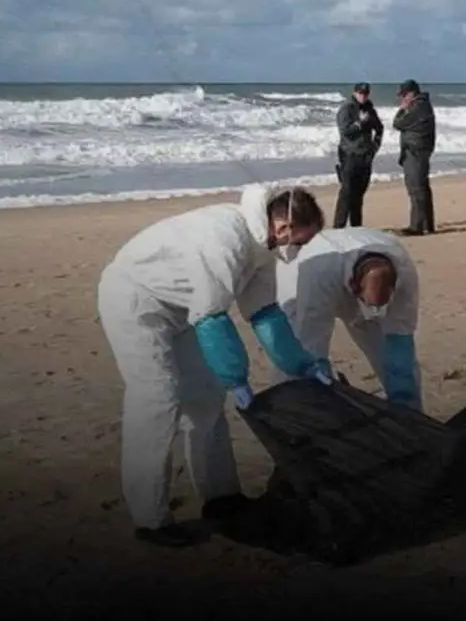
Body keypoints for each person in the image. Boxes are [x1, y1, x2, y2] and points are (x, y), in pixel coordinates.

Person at [95, 184, 335, 547]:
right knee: (158, 399)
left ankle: (222, 497)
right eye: (300, 241)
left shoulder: (263, 249)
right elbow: (211, 317)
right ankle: (150, 519)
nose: (299, 249)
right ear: (283, 227)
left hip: (181, 309)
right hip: (136, 301)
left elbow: (264, 314)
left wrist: (303, 365)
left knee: (206, 397)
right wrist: (237, 379)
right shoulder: (225, 239)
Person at [272, 227, 423, 411]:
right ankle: (298, 414)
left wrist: (404, 396)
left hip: (358, 283)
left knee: (392, 357)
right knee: (296, 354)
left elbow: (400, 337)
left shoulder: (404, 273)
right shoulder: (318, 273)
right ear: (353, 286)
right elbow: (312, 341)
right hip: (302, 278)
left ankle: (409, 414)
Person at [332, 82, 384, 228]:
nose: (363, 96)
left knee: (359, 194)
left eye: (366, 93)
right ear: (355, 92)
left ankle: (356, 226)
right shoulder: (346, 108)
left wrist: (375, 146)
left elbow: (379, 128)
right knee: (346, 193)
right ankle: (338, 227)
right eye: (361, 93)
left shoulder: (369, 108)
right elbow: (345, 131)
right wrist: (359, 123)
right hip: (349, 155)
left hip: (366, 156)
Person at [392, 79, 436, 236]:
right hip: (419, 150)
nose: (402, 99)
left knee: (416, 189)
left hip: (415, 151)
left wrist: (401, 109)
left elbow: (397, 123)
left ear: (411, 93)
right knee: (422, 188)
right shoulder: (423, 105)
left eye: (404, 95)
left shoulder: (417, 107)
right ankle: (427, 224)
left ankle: (417, 226)